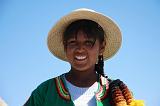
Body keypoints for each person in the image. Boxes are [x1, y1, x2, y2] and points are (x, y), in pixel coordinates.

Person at [24, 8, 144, 106]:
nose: (80, 49)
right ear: (65, 47)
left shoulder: (119, 94)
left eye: (88, 43)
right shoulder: (45, 92)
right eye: (72, 42)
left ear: (101, 47)